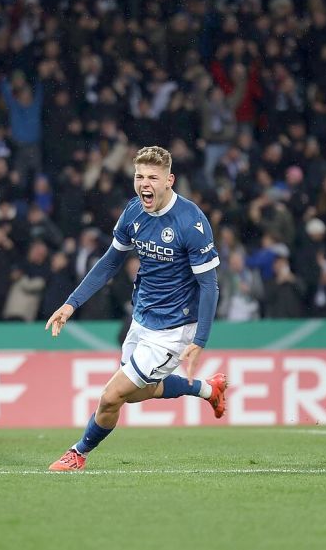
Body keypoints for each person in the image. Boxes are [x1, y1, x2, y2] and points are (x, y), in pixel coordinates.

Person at [44, 146, 227, 472]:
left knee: (111, 396)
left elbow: (209, 285)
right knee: (136, 392)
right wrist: (71, 304)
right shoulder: (134, 212)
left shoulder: (191, 222)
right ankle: (207, 389)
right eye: (139, 176)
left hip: (174, 329)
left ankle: (78, 453)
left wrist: (200, 340)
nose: (145, 183)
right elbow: (109, 263)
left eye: (152, 177)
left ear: (169, 180)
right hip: (141, 317)